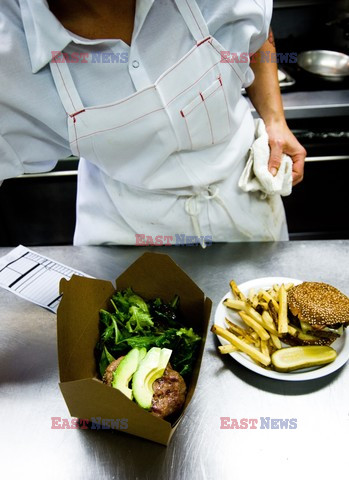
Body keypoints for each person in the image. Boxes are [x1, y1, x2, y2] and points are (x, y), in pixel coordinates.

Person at [0, 0, 306, 246]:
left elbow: (256, 34)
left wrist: (275, 120)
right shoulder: (9, 49)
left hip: (246, 212)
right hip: (127, 241)